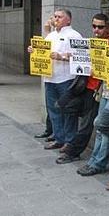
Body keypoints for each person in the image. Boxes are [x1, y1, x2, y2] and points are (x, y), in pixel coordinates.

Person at [56, 13, 109, 164]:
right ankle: (71, 144)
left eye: (100, 27)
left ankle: (73, 151)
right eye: (94, 26)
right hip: (83, 86)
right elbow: (78, 56)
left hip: (97, 91)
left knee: (86, 124)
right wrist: (67, 56)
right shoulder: (91, 42)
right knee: (62, 105)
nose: (96, 30)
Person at [76, 18, 109, 176]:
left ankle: (99, 162)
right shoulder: (106, 48)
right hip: (105, 91)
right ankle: (94, 160)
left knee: (104, 127)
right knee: (100, 129)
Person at [29, 9, 82, 151]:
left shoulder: (74, 35)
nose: (56, 19)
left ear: (68, 20)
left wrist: (62, 56)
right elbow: (42, 51)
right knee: (53, 110)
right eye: (55, 16)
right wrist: (33, 50)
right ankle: (59, 138)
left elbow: (81, 56)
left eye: (60, 16)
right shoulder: (51, 35)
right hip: (50, 78)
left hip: (66, 79)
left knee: (67, 111)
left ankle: (69, 141)